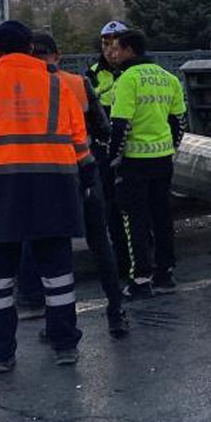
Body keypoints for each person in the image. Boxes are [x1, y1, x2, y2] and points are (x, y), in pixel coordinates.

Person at [0, 20, 89, 373]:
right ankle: (65, 344)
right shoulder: (58, 86)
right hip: (53, 190)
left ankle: (0, 356)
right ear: (29, 48)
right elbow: (81, 148)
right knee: (57, 276)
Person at [18, 33, 129, 338]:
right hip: (85, 170)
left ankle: (56, 323)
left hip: (47, 178)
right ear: (58, 55)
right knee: (99, 242)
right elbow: (103, 129)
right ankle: (116, 312)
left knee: (53, 250)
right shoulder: (78, 83)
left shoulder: (26, 89)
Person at [105, 29, 187, 298]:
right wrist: (170, 148)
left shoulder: (127, 79)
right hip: (163, 160)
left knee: (135, 221)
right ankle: (165, 273)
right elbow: (178, 122)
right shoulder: (168, 78)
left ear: (130, 50)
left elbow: (120, 125)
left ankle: (140, 278)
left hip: (134, 163)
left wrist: (112, 159)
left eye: (117, 48)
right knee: (162, 217)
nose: (113, 54)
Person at [85, 20, 133, 279]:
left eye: (116, 44)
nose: (111, 50)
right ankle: (121, 259)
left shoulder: (136, 71)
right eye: (106, 44)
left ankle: (141, 253)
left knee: (135, 206)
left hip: (134, 146)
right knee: (111, 206)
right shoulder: (92, 72)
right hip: (104, 147)